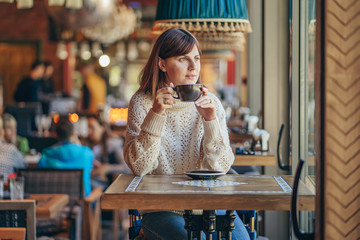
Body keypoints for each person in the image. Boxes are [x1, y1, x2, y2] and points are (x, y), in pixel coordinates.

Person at [124, 28, 250, 240]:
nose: (193, 67)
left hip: (210, 205)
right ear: (162, 64)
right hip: (161, 208)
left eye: (197, 59)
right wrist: (156, 113)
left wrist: (210, 120)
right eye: (183, 59)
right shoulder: (142, 103)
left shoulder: (212, 104)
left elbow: (220, 167)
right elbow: (139, 167)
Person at [37, 117, 94, 196]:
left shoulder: (47, 154)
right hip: (80, 202)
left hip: (55, 201)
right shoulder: (87, 153)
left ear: (56, 135)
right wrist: (78, 144)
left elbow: (40, 171)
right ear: (73, 133)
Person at [86, 114, 131, 188]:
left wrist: (108, 168)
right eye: (88, 127)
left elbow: (126, 167)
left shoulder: (113, 144)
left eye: (92, 127)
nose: (89, 131)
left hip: (107, 187)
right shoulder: (87, 146)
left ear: (103, 127)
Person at [0, 116, 27, 181]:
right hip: (4, 189)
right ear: (2, 131)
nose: (14, 131)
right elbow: (24, 164)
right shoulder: (10, 149)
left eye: (15, 127)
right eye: (9, 128)